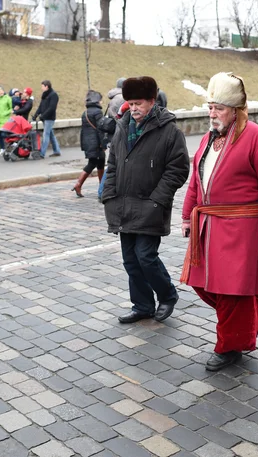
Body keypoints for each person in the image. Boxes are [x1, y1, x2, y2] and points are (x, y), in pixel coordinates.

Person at [180, 72, 258, 372]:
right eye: (210, 107)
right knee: (205, 285)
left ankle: (229, 346)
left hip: (241, 228)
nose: (212, 114)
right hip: (208, 226)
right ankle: (247, 318)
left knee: (231, 292)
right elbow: (195, 182)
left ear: (237, 110)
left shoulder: (257, 138)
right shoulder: (208, 138)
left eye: (219, 108)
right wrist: (188, 215)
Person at [102, 76, 189, 325]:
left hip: (151, 206)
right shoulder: (123, 127)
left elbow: (179, 169)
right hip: (123, 205)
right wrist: (108, 195)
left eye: (139, 103)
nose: (134, 108)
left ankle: (167, 295)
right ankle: (142, 305)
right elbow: (113, 163)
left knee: (145, 256)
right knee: (130, 259)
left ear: (152, 101)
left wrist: (157, 200)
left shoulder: (169, 130)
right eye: (130, 103)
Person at [72, 90, 106, 198]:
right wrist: (103, 143)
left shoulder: (85, 112)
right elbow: (101, 128)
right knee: (92, 163)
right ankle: (79, 184)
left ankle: (102, 187)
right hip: (96, 143)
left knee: (100, 162)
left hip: (88, 142)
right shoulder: (97, 112)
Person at [32, 80, 61, 159]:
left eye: (42, 86)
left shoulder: (53, 95)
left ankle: (42, 153)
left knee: (46, 135)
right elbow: (41, 106)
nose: (41, 88)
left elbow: (52, 108)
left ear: (46, 86)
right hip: (45, 118)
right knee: (51, 134)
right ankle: (57, 151)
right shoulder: (45, 95)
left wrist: (43, 116)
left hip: (49, 118)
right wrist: (35, 115)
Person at [0, 86, 12, 156]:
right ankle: (2, 149)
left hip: (5, 119)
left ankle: (11, 144)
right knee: (0, 135)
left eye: (1, 90)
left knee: (4, 134)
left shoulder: (7, 98)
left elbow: (11, 108)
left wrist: (6, 113)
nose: (0, 92)